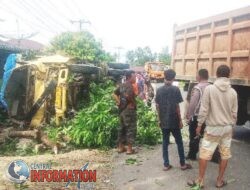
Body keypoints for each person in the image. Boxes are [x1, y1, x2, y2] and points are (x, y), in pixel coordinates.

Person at [188, 65, 238, 188]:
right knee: (225, 154)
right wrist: (232, 128)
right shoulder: (233, 92)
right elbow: (234, 114)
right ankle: (219, 181)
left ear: (216, 74)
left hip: (213, 129)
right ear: (229, 75)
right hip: (227, 128)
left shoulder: (210, 89)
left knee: (204, 154)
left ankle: (200, 181)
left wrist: (199, 124)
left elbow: (204, 109)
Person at [156, 69, 192, 171]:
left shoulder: (159, 90)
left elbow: (158, 106)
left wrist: (159, 119)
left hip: (164, 121)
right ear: (173, 78)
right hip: (174, 120)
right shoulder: (176, 89)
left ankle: (166, 165)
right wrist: (180, 120)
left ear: (164, 76)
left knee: (165, 143)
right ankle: (182, 164)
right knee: (179, 142)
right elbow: (177, 107)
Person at [186, 69, 210, 160]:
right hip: (208, 117)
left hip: (197, 116)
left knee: (194, 136)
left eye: (196, 75)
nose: (196, 76)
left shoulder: (197, 88)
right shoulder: (211, 87)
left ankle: (192, 155)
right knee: (207, 137)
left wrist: (189, 115)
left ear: (199, 76)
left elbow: (193, 104)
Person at [113, 70, 137, 154]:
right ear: (130, 77)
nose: (135, 78)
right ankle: (129, 149)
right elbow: (128, 96)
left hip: (121, 110)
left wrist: (118, 102)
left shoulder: (121, 85)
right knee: (130, 128)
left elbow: (114, 93)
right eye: (134, 77)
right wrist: (133, 103)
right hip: (129, 110)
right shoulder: (130, 86)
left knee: (121, 128)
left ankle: (120, 147)